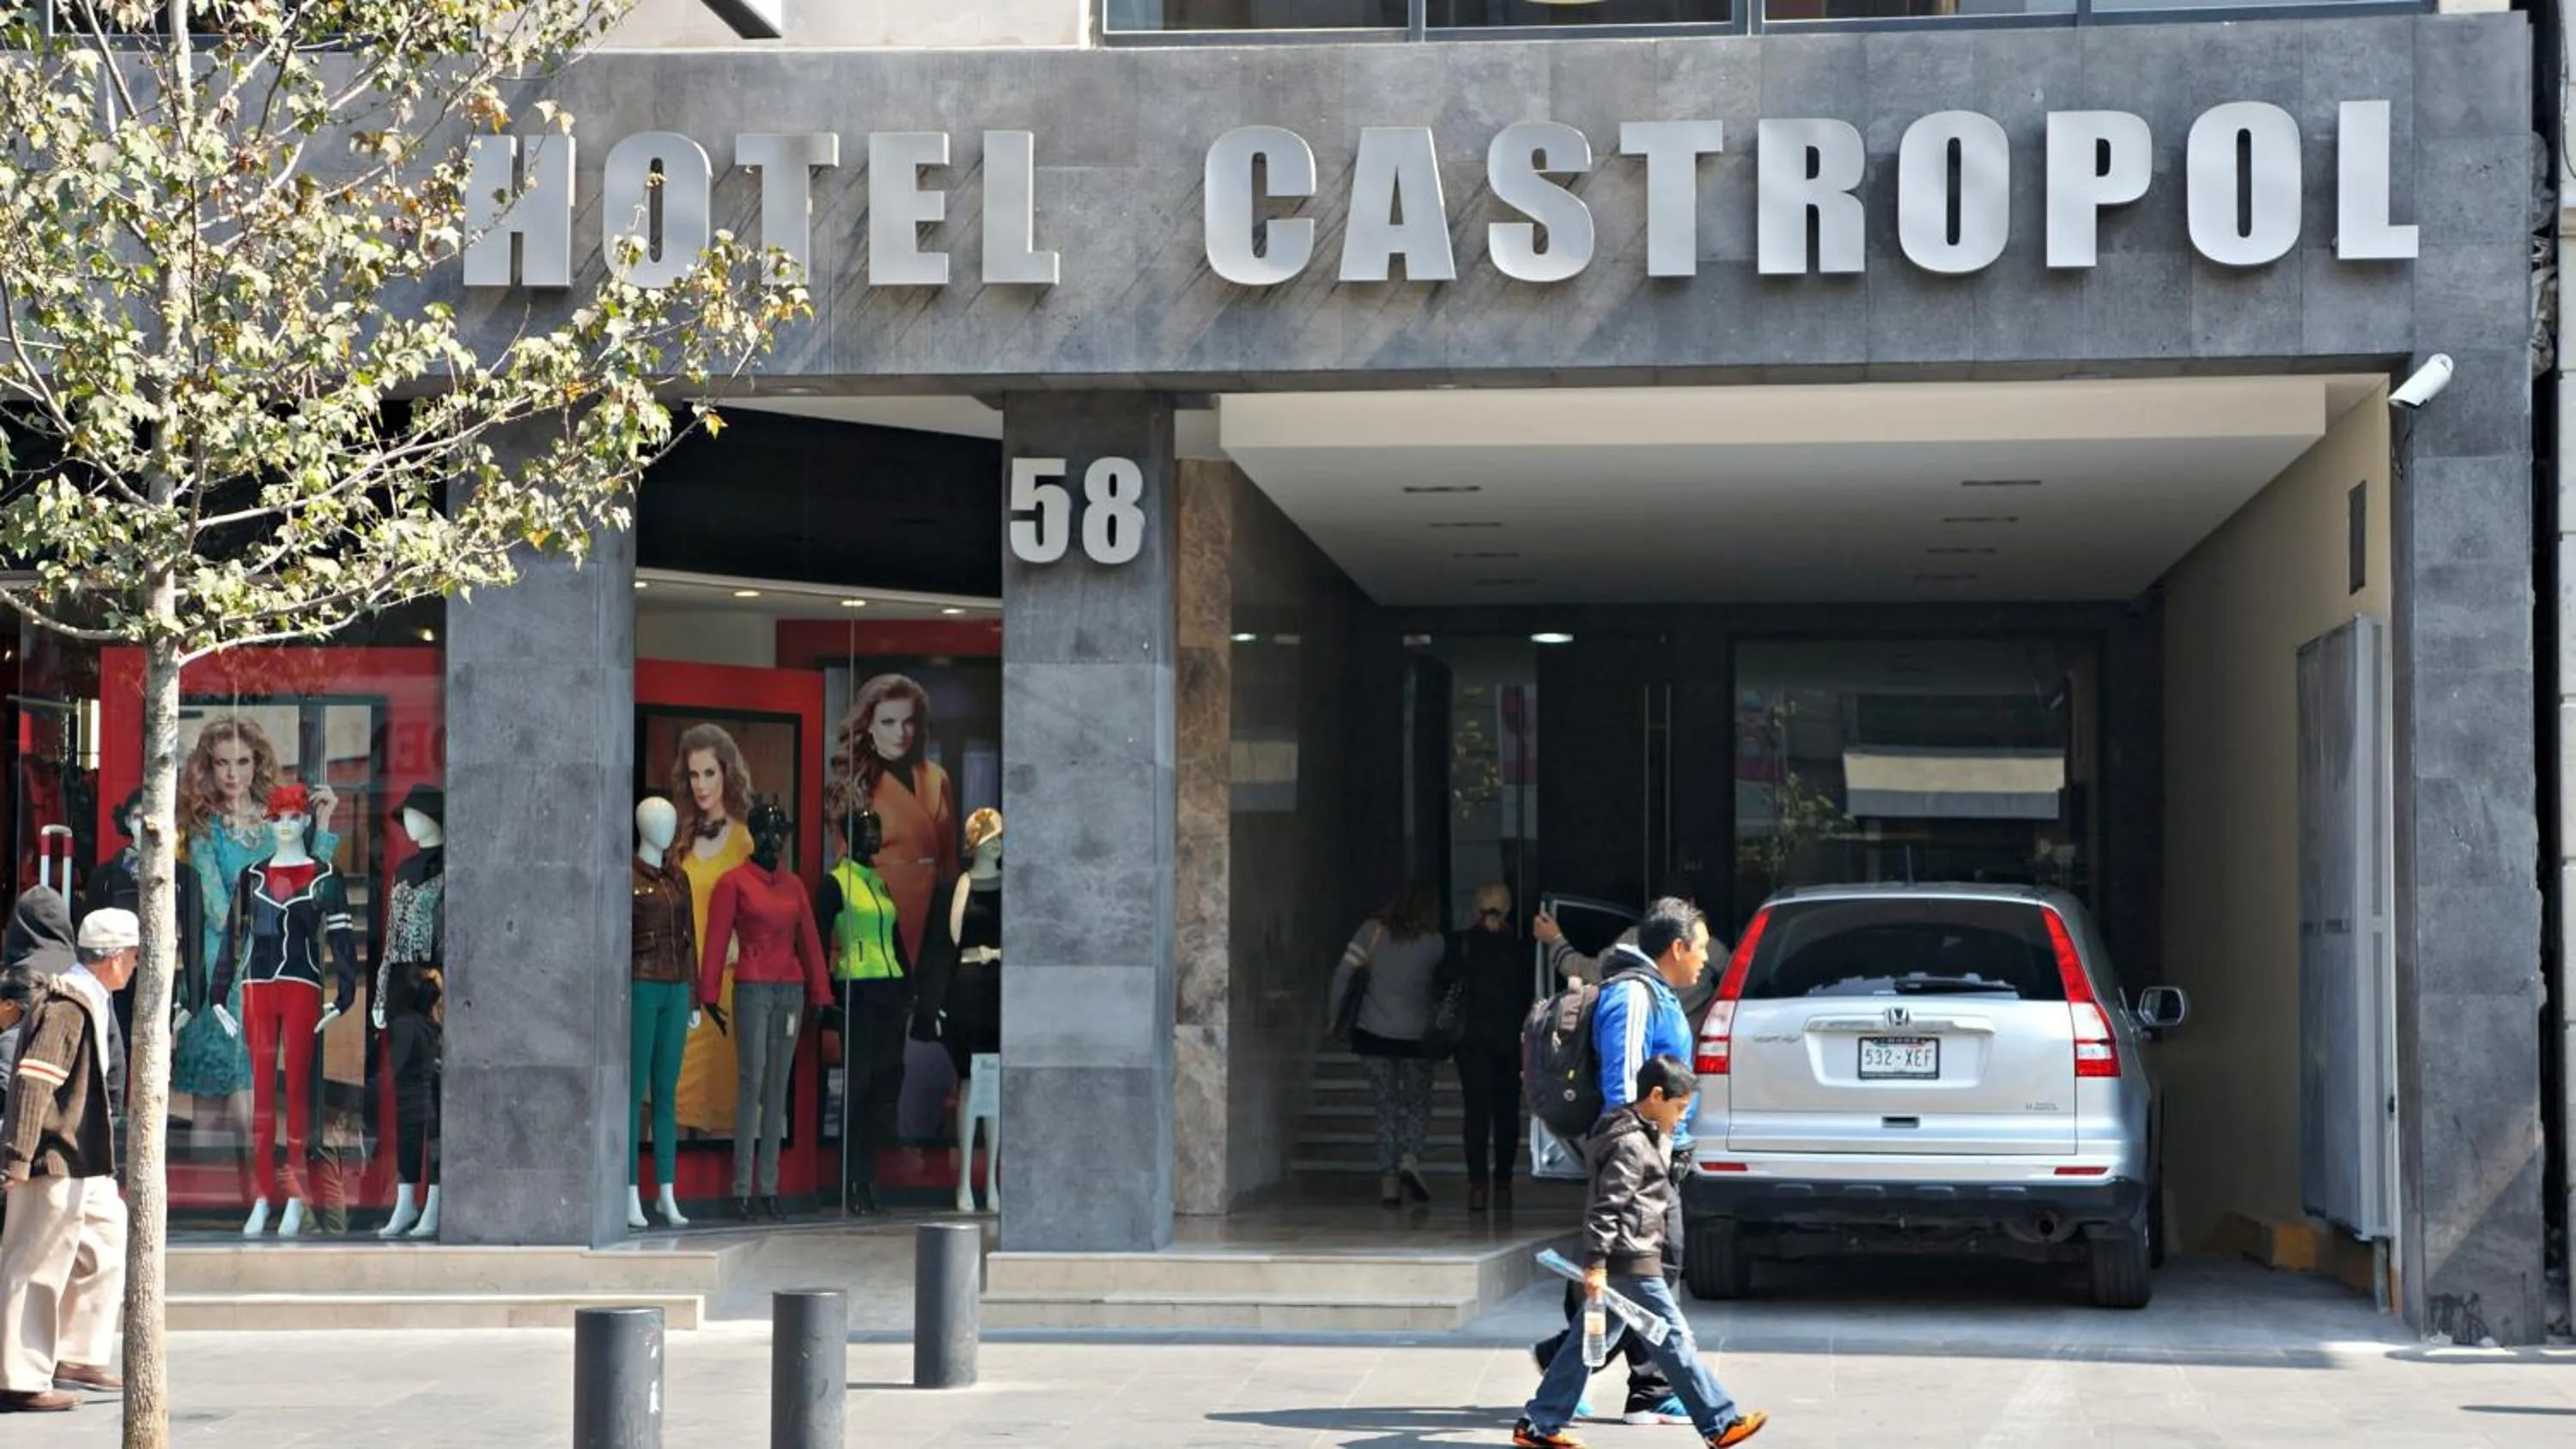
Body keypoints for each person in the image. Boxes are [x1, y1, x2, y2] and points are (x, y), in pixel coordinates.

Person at [1515, 1055, 1765, 1449]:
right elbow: (1607, 1207)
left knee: (1585, 1346)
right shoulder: (1630, 1143)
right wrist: (1596, 1264)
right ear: (1655, 1096)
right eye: (1679, 1108)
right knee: (1672, 1339)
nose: (1682, 1117)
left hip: (1629, 1258)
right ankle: (1719, 1423)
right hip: (1631, 1262)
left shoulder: (1643, 1133)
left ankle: (1539, 1424)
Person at [1529, 897, 1709, 1428]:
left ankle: (1640, 1386)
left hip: (1657, 1155)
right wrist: (1642, 1157)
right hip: (1637, 1157)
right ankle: (1573, 1371)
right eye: (1700, 948)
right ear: (1676, 947)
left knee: (1646, 1267)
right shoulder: (1633, 996)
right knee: (1635, 1267)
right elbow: (1622, 1085)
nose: (1704, 960)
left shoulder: (1658, 993)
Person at [0, 907, 139, 1414]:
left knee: (107, 1240)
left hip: (85, 1157)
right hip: (50, 1154)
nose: (137, 965)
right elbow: (36, 1079)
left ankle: (76, 1354)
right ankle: (18, 1377)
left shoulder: (93, 998)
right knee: (35, 1262)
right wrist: (16, 1158)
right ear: (117, 958)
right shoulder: (67, 1003)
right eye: (135, 955)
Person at [1325, 882, 1447, 1207]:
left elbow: (1342, 975)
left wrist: (1333, 1017)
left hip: (1373, 1034)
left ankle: (1388, 1183)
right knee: (1418, 1103)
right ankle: (1411, 1158)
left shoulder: (1371, 932)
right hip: (1417, 1038)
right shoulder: (1436, 943)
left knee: (1386, 1107)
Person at [1434, 881, 1530, 1214]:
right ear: (1507, 909)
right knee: (1507, 1114)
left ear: (1476, 908)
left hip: (1470, 1042)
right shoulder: (1518, 948)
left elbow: (1441, 983)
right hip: (1507, 1041)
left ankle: (1477, 1186)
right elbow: (1527, 997)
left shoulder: (1460, 944)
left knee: (1476, 1113)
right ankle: (1503, 1183)